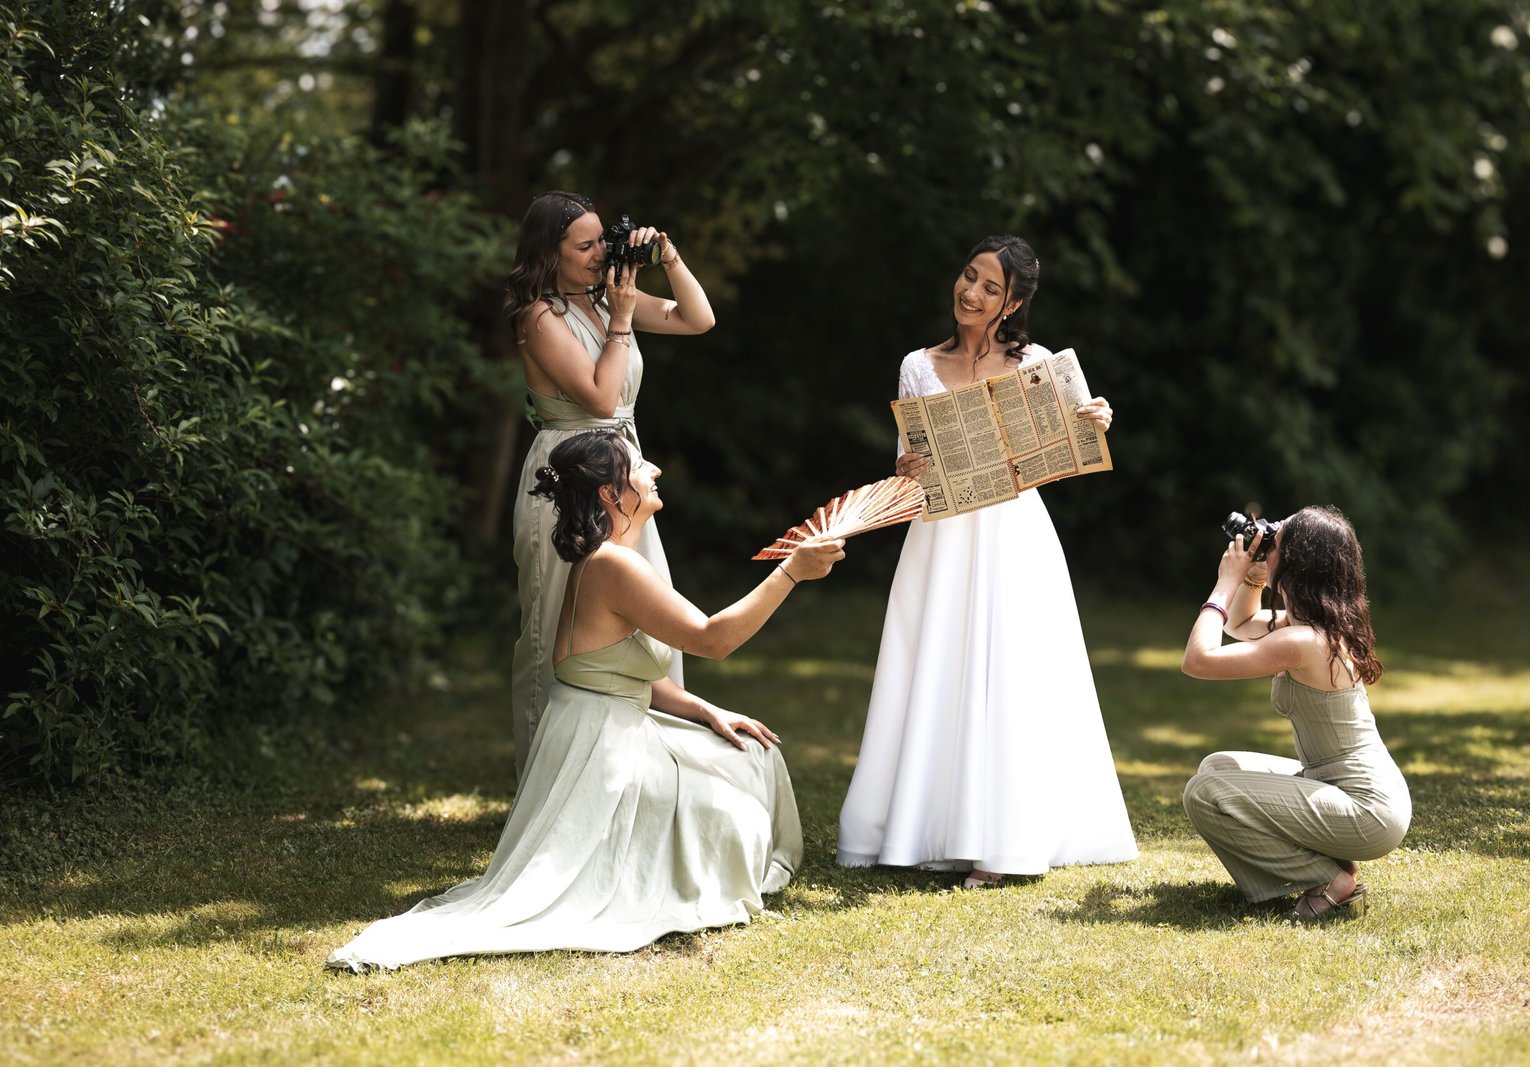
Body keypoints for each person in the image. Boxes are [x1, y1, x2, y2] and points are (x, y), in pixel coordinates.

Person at [327, 431, 846, 970]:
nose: (656, 471)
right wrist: (792, 571)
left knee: (751, 755)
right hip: (603, 751)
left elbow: (613, 670)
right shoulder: (615, 567)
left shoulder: (608, 561)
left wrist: (707, 710)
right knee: (735, 818)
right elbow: (713, 640)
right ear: (608, 493)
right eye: (640, 465)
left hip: (611, 728)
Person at [836, 235, 1139, 887]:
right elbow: (904, 467)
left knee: (1010, 668)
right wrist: (906, 465)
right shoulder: (918, 364)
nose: (970, 293)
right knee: (935, 662)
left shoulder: (1038, 365)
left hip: (1013, 533)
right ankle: (921, 822)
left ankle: (1002, 836)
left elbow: (1062, 452)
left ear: (1014, 302)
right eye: (968, 277)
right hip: (940, 533)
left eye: (989, 287)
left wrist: (1094, 419)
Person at [505, 191, 716, 778]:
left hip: (623, 472)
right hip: (567, 472)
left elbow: (698, 319)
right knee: (555, 621)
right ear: (550, 252)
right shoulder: (540, 317)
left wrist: (670, 258)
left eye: (604, 239)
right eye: (586, 244)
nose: (602, 253)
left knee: (644, 608)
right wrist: (622, 321)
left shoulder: (605, 298)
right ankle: (544, 781)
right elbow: (599, 398)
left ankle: (640, 772)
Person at [1180, 505, 1411, 920]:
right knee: (1217, 768)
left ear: (1297, 563)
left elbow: (1198, 660)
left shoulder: (1304, 640)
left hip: (1366, 808)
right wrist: (1250, 580)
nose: (1266, 544)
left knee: (1204, 794)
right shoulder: (1316, 625)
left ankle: (1329, 880)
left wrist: (1223, 584)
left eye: (1276, 541)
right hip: (1347, 789)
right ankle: (1332, 863)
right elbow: (1243, 623)